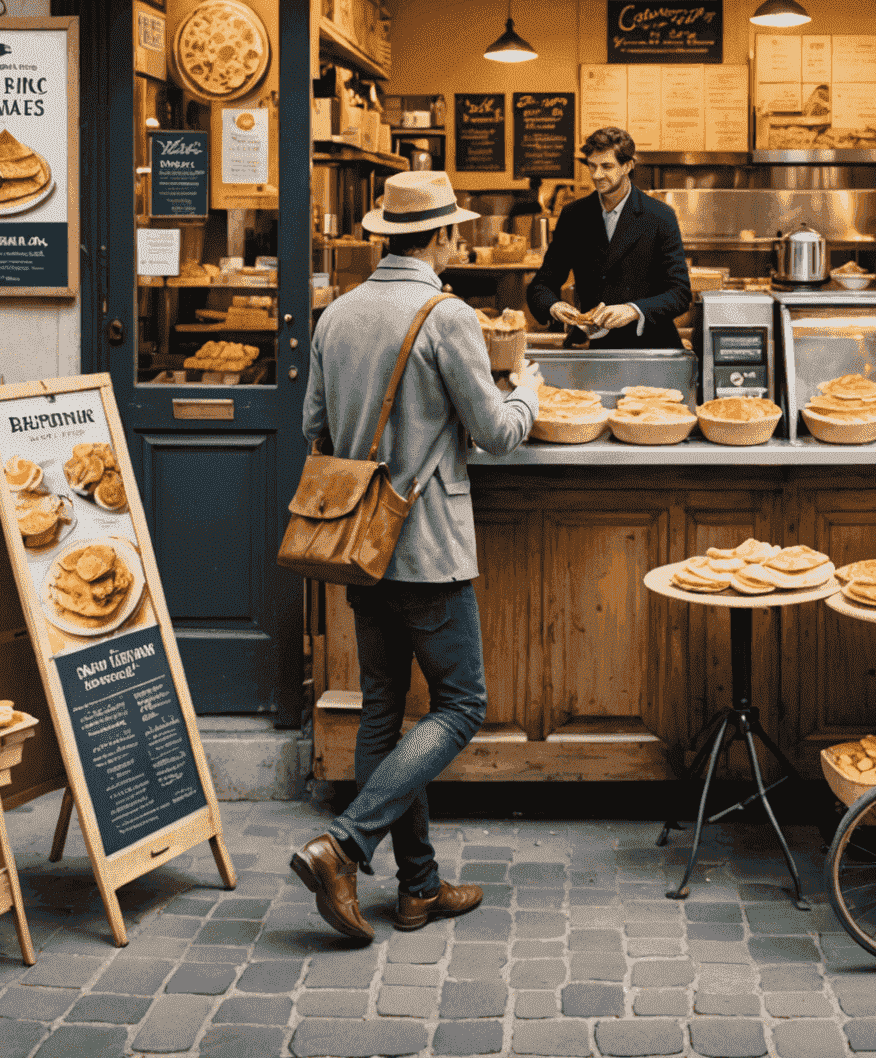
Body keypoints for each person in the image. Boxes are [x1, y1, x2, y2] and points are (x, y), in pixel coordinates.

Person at [290, 172, 539, 942]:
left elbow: (314, 425)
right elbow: (497, 433)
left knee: (381, 711)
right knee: (462, 706)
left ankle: (419, 889)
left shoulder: (336, 315)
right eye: (453, 230)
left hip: (359, 545)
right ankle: (346, 843)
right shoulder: (447, 314)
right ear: (436, 239)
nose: (457, 240)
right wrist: (525, 389)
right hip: (428, 544)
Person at [526, 126, 691, 349]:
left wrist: (634, 310)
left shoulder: (660, 216)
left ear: (628, 166)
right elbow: (542, 284)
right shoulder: (574, 215)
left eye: (606, 166)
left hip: (649, 347)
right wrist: (554, 306)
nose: (596, 175)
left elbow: (679, 294)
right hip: (594, 349)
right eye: (592, 166)